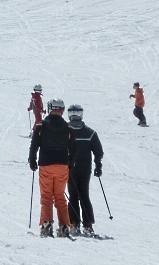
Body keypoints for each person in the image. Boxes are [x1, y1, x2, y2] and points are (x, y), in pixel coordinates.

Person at [28, 99, 74, 238]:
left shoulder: (41, 126)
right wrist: (70, 163)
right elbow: (74, 148)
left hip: (46, 164)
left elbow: (34, 145)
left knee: (47, 195)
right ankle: (65, 225)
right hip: (62, 165)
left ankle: (47, 223)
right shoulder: (67, 127)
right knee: (60, 195)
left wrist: (32, 160)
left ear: (49, 108)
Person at [66, 104, 104, 236]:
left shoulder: (67, 131)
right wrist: (98, 165)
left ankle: (78, 224)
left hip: (73, 169)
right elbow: (98, 152)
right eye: (73, 114)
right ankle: (84, 224)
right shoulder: (88, 132)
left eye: (76, 114)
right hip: (79, 169)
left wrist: (98, 165)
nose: (74, 117)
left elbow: (98, 152)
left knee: (75, 196)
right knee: (81, 196)